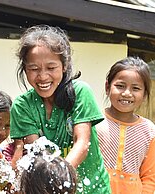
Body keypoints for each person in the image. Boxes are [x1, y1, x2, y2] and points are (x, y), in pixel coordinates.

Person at [9, 25, 111, 193]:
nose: (42, 76)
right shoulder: (22, 105)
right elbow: (37, 154)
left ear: (64, 66)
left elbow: (82, 144)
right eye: (34, 69)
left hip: (92, 189)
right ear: (24, 69)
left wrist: (59, 178)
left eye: (51, 68)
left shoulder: (80, 93)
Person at [96, 57, 155, 193]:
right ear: (107, 87)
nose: (127, 93)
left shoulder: (149, 131)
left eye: (135, 88)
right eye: (120, 86)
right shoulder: (94, 122)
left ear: (145, 94)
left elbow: (150, 177)